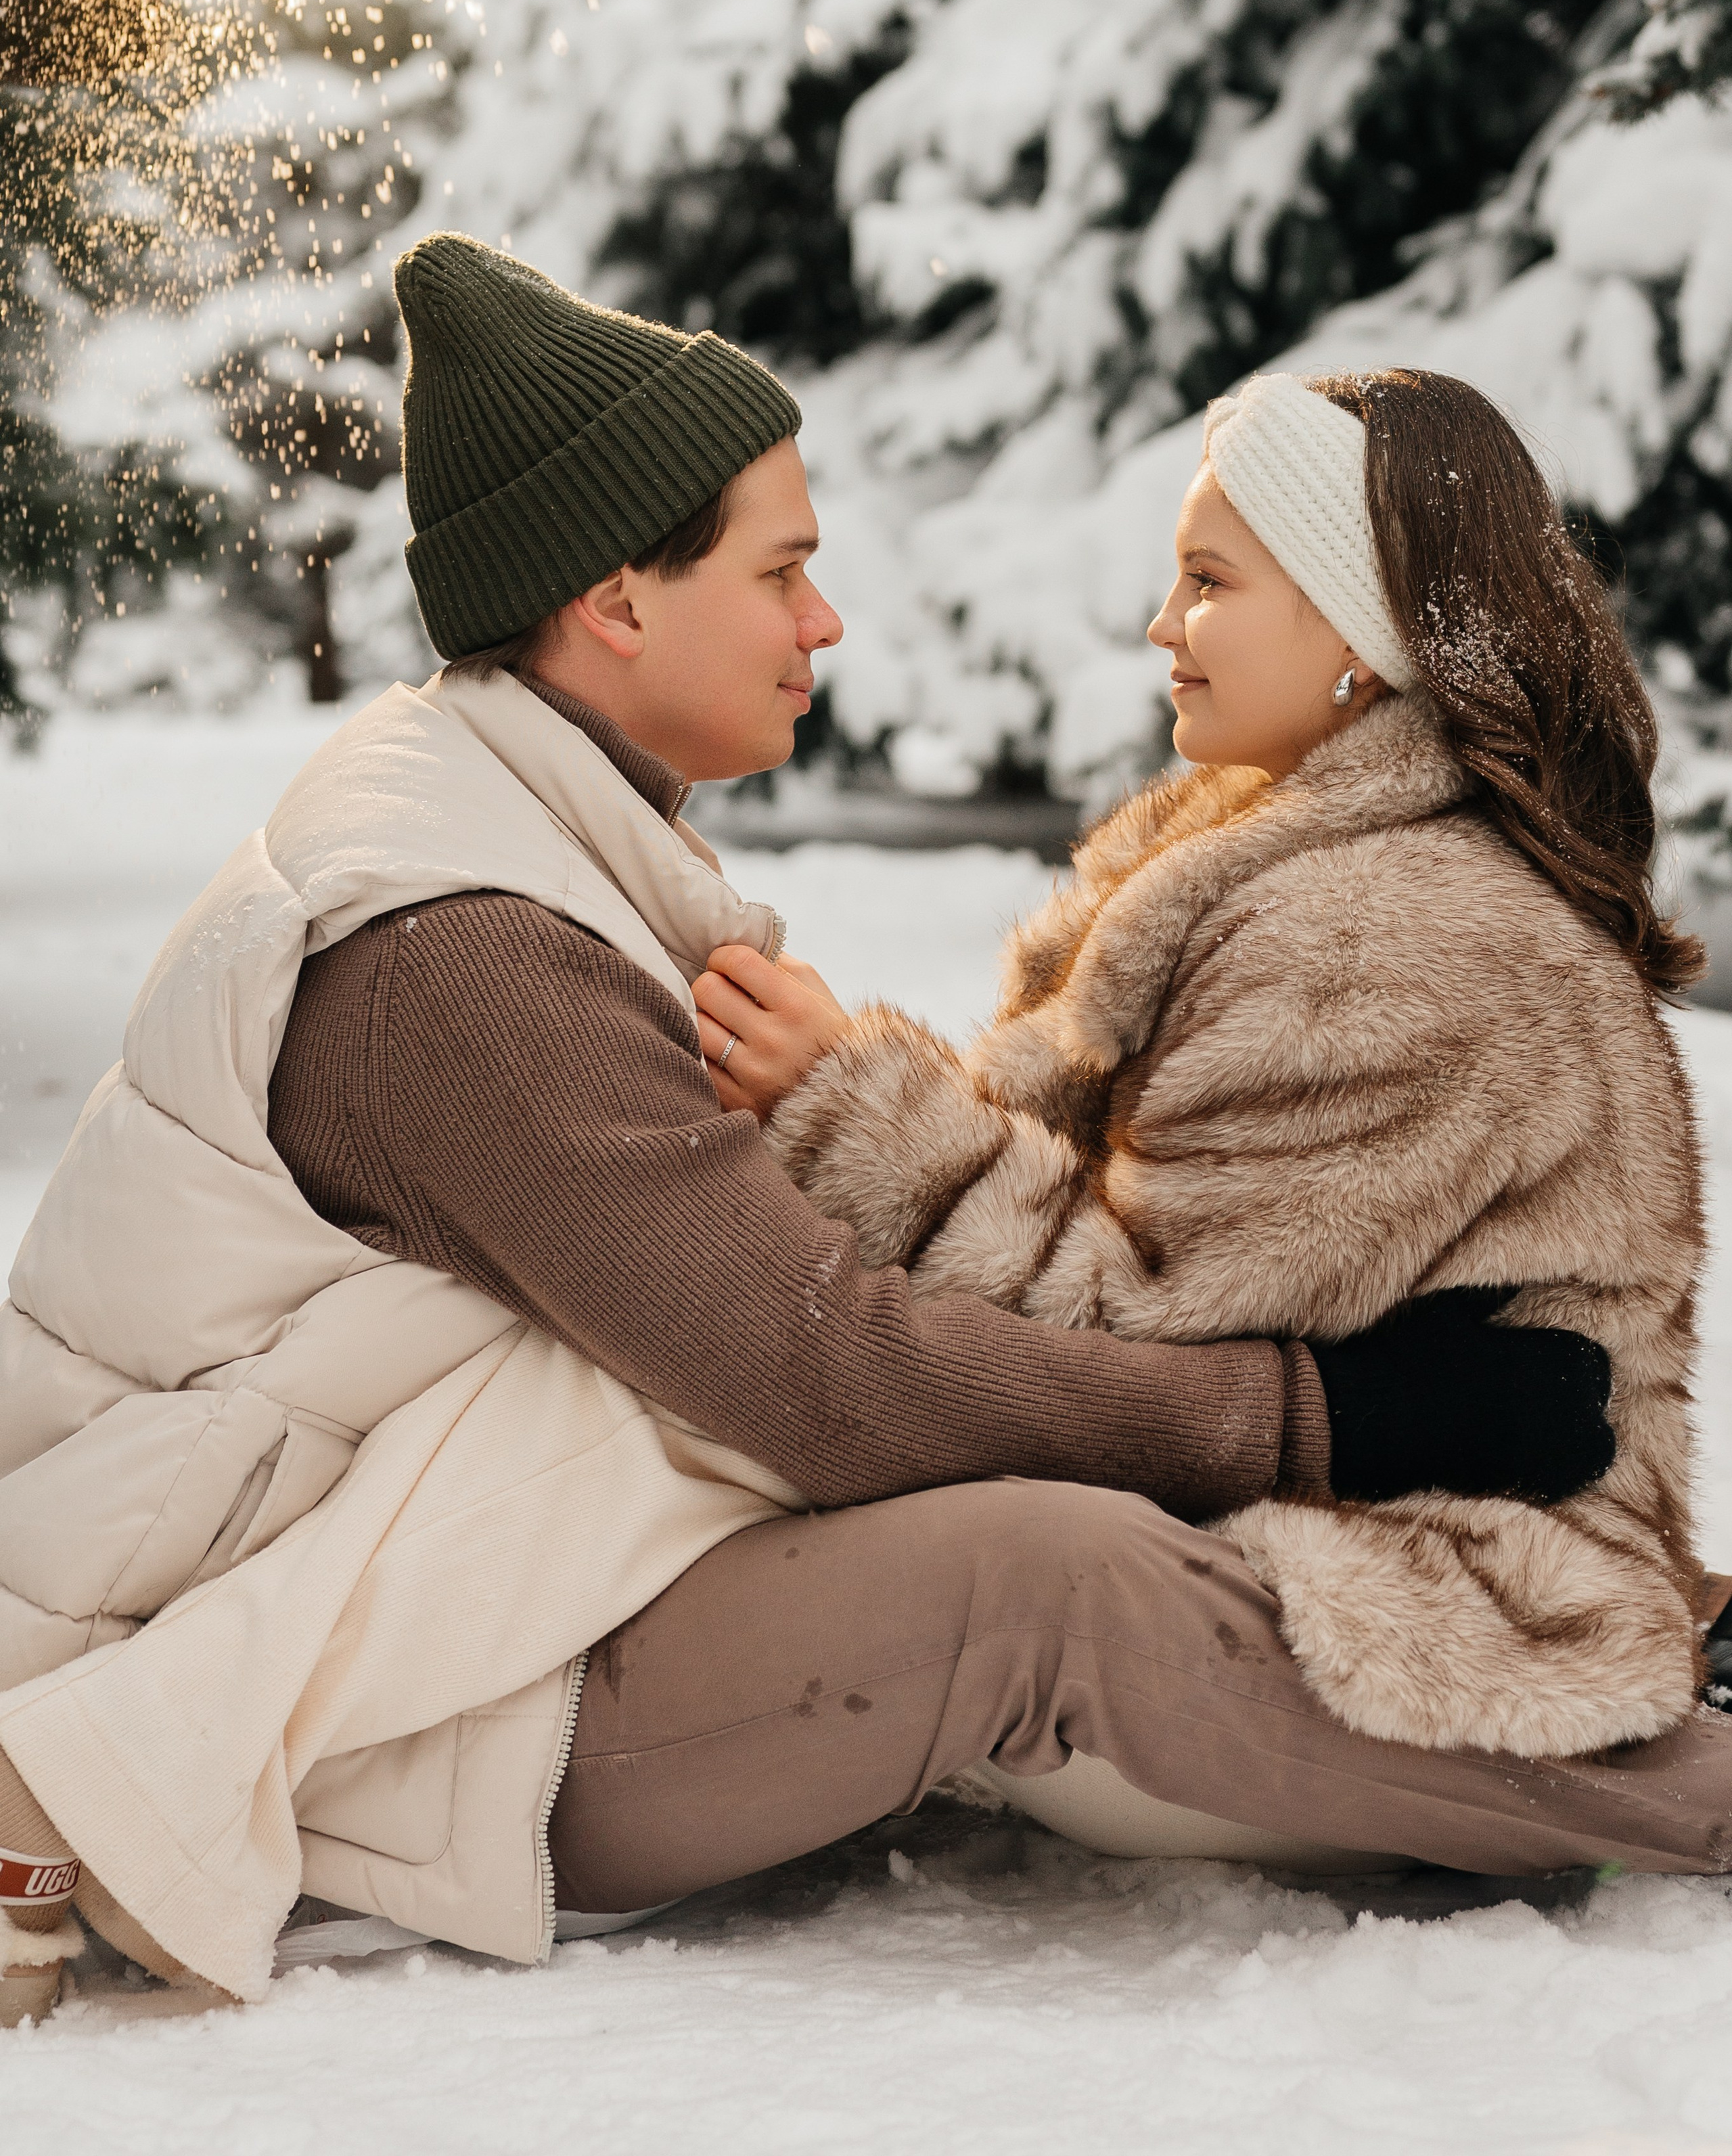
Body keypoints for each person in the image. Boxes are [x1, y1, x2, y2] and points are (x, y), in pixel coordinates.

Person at [0, 261, 1674, 2026]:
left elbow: (803, 1306)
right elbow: (832, 1376)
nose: (829, 625)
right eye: (782, 570)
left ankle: (1631, 1671)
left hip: (463, 1601)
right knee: (1046, 1587)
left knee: (1041, 1516)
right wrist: (1335, 1418)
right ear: (616, 601)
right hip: (375, 1699)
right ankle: (1683, 1787)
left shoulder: (510, 840)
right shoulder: (463, 948)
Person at [699, 366, 1707, 1779]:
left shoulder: (1377, 934)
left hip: (1440, 1610)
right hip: (1377, 1541)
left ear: (1364, 630)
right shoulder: (1289, 873)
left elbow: (1130, 1341)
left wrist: (851, 1109)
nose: (1161, 626)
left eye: (1209, 581)